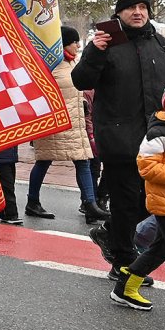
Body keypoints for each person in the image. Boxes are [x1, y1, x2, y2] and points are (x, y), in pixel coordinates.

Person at [72, 0, 165, 278]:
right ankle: (122, 263)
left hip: (156, 142)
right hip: (119, 140)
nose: (138, 12)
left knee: (149, 205)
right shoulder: (106, 44)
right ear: (119, 13)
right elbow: (82, 81)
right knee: (126, 204)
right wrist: (94, 53)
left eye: (143, 6)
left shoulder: (163, 46)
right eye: (130, 7)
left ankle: (111, 236)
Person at [27, 25, 106, 223]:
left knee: (83, 161)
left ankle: (90, 203)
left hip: (75, 124)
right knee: (44, 161)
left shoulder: (73, 64)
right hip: (55, 124)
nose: (78, 45)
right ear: (63, 44)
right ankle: (33, 201)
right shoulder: (50, 64)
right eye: (74, 42)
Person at [116, 79, 165, 312]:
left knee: (163, 249)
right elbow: (147, 168)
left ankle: (125, 287)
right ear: (164, 104)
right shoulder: (157, 132)